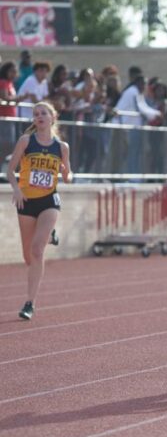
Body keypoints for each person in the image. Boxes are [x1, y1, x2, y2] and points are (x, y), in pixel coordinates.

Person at [6, 102, 72, 320]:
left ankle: (29, 303)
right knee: (28, 257)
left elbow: (69, 176)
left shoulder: (62, 147)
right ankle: (49, 235)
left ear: (52, 117)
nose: (39, 116)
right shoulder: (26, 141)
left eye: (44, 113)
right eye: (36, 114)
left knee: (36, 250)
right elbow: (9, 170)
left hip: (49, 200)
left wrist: (64, 173)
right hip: (26, 201)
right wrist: (16, 189)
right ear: (33, 120)